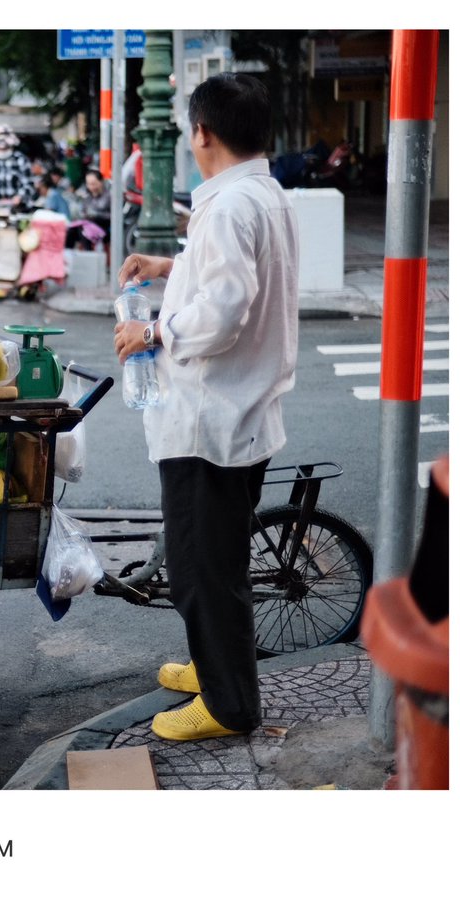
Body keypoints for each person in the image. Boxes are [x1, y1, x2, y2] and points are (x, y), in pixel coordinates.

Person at [112, 73, 299, 742]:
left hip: (208, 421)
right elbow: (225, 274)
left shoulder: (225, 207)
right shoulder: (261, 195)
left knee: (200, 570)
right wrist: (168, 267)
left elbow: (222, 311)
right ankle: (212, 664)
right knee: (220, 560)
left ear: (201, 133)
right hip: (244, 413)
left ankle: (228, 706)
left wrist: (152, 331)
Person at [0, 125, 36, 209]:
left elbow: (29, 185)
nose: (2, 150)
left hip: (19, 208)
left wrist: (19, 197)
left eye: (5, 148)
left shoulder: (21, 160)